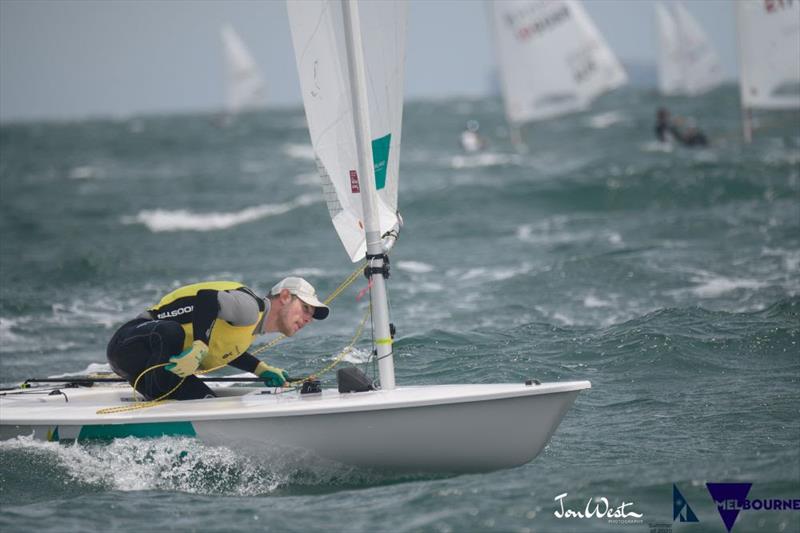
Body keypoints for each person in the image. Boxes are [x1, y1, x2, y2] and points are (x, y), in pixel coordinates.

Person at [106, 277, 329, 401]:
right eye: (306, 308)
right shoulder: (251, 308)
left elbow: (224, 347)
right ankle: (155, 397)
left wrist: (261, 369)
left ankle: (156, 403)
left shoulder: (248, 332)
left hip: (154, 365)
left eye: (312, 315)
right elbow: (207, 300)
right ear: (285, 296)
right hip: (131, 342)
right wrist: (200, 345)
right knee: (172, 333)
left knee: (206, 401)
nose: (308, 318)